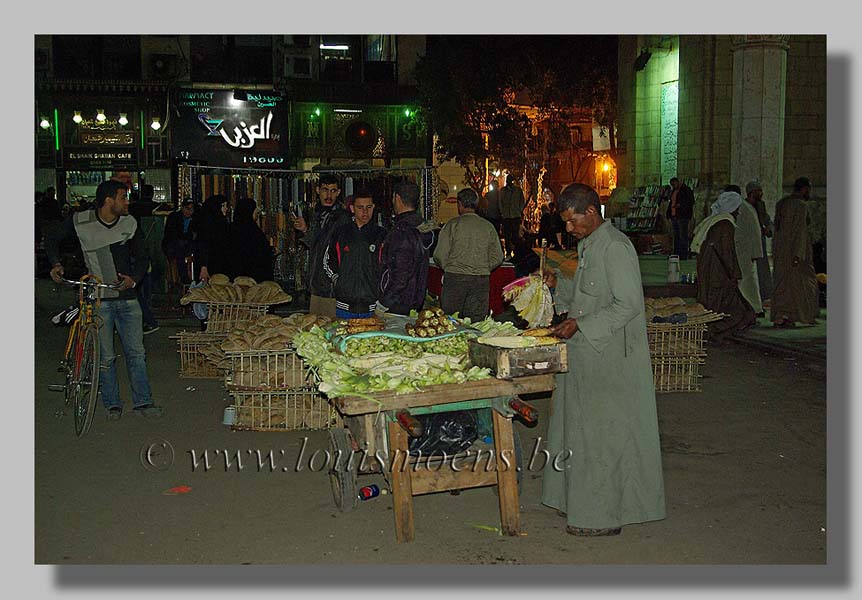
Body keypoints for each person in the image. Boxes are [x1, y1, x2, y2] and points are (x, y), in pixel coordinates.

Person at [541, 182, 665, 537]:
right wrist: (554, 288)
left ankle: (601, 516)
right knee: (576, 431)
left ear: (591, 213)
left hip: (609, 356)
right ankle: (575, 500)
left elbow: (628, 304)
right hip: (586, 352)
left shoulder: (615, 247)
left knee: (601, 438)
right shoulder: (589, 245)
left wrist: (581, 324)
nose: (568, 228)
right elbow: (585, 296)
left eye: (572, 221)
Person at [45, 179, 164, 421]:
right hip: (99, 298)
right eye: (123, 197)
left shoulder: (129, 224)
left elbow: (143, 256)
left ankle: (143, 401)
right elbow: (51, 237)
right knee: (105, 357)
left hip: (128, 299)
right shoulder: (81, 221)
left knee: (136, 353)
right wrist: (55, 263)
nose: (127, 201)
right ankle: (112, 404)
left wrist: (134, 278)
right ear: (108, 201)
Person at [691, 191, 757, 341]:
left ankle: (714, 332)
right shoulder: (725, 224)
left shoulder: (715, 221)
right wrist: (735, 273)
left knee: (717, 305)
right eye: (737, 209)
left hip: (711, 270)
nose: (739, 212)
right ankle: (713, 332)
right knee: (735, 310)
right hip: (718, 274)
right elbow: (727, 253)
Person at [433, 187, 504, 322]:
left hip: (455, 279)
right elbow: (498, 256)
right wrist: (483, 267)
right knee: (475, 324)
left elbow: (439, 254)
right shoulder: (488, 226)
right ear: (476, 205)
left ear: (459, 204)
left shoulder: (452, 225)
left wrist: (449, 267)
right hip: (480, 280)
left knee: (451, 321)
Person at [292, 174, 351, 317]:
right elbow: (318, 246)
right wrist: (305, 230)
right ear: (318, 190)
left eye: (332, 190)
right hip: (318, 286)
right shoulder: (319, 214)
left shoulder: (342, 218)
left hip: (330, 289)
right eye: (325, 190)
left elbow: (336, 253)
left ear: (338, 193)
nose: (329, 195)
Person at [322, 192, 387, 319]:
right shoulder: (340, 233)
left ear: (373, 207)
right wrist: (337, 280)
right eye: (360, 207)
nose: (365, 212)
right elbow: (327, 260)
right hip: (344, 306)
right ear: (352, 209)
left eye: (368, 207)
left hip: (373, 306)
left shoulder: (381, 235)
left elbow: (388, 268)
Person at [378, 181, 434, 316]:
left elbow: (401, 273)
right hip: (415, 300)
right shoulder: (421, 227)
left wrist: (384, 303)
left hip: (398, 303)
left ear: (397, 198)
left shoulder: (402, 232)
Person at [770, 177, 819, 328]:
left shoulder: (782, 203)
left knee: (783, 285)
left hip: (781, 252)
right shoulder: (800, 206)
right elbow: (800, 232)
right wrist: (798, 255)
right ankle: (792, 316)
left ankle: (782, 316)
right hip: (796, 254)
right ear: (804, 189)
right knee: (804, 285)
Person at [721, 184, 764, 316]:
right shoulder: (736, 207)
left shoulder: (746, 208)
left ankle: (754, 308)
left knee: (747, 281)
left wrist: (756, 253)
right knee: (743, 281)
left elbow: (755, 231)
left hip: (744, 251)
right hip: (737, 250)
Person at [129, 184, 159, 334]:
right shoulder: (154, 207)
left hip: (134, 258)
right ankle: (148, 319)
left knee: (136, 293)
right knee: (141, 292)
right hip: (141, 256)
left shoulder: (133, 211)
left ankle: (149, 320)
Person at [229, 197, 274, 283]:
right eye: (254, 209)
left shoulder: (231, 229)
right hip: (254, 281)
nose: (256, 212)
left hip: (236, 280)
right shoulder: (253, 231)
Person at [195, 194, 231, 282]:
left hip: (220, 262)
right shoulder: (207, 224)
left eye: (226, 206)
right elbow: (203, 245)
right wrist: (204, 266)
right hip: (210, 264)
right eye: (222, 206)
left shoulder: (223, 223)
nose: (225, 208)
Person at [161, 199, 197, 285]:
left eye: (191, 209)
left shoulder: (194, 219)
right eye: (187, 208)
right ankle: (184, 278)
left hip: (186, 245)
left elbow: (194, 235)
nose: (189, 211)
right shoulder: (174, 217)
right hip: (172, 245)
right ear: (182, 208)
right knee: (179, 250)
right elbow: (172, 235)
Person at [665, 177, 695, 259]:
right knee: (676, 236)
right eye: (672, 185)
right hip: (674, 215)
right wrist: (669, 213)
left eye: (674, 184)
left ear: (678, 182)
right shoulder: (674, 191)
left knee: (683, 235)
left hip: (682, 216)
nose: (673, 186)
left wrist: (680, 205)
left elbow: (690, 202)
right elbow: (671, 202)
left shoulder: (686, 190)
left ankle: (683, 253)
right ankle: (677, 253)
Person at [499, 174, 525, 258]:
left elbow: (522, 201)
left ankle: (516, 251)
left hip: (515, 216)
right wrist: (502, 213)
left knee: (515, 235)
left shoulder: (518, 190)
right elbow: (500, 202)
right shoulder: (502, 191)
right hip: (506, 216)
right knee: (507, 235)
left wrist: (519, 210)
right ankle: (509, 252)